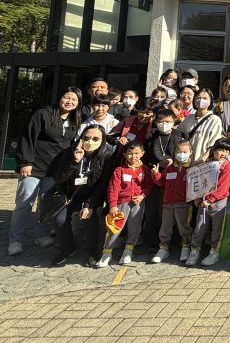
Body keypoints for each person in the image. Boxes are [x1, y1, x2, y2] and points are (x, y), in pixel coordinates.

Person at [9, 87, 83, 256]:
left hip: (55, 170)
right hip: (34, 167)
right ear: (60, 97)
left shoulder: (75, 120)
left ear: (78, 104)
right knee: (24, 202)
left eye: (74, 100)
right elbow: (28, 137)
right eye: (67, 97)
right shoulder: (43, 114)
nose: (69, 102)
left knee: (45, 204)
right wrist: (25, 162)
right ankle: (15, 240)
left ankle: (41, 235)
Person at [48, 125, 113, 266]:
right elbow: (59, 178)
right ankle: (68, 249)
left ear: (102, 140)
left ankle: (93, 252)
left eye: (95, 139)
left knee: (90, 218)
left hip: (92, 195)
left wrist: (89, 205)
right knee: (60, 220)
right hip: (70, 195)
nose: (90, 141)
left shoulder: (106, 155)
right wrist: (74, 161)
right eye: (86, 138)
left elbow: (103, 184)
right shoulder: (70, 152)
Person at [97, 140, 153, 267]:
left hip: (137, 204)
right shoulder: (119, 170)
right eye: (130, 153)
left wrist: (142, 196)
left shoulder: (145, 169)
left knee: (135, 227)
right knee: (115, 228)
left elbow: (148, 185)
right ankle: (107, 253)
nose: (133, 156)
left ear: (142, 153)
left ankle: (128, 251)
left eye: (136, 153)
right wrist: (113, 205)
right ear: (124, 155)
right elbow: (113, 189)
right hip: (121, 203)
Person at [187, 138, 230, 267]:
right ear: (214, 150)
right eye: (220, 150)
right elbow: (200, 182)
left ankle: (214, 251)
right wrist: (197, 197)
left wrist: (210, 199)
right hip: (204, 202)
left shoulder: (226, 166)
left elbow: (223, 187)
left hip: (218, 202)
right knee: (199, 226)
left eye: (226, 151)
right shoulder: (207, 164)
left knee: (217, 228)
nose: (223, 153)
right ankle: (194, 250)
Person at [150, 139, 194, 263]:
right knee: (165, 227)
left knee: (184, 227)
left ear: (190, 152)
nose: (181, 154)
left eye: (184, 151)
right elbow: (162, 183)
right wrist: (156, 174)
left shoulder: (192, 168)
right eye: (178, 151)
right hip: (168, 203)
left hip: (184, 204)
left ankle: (186, 246)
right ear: (174, 153)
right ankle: (163, 248)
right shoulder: (170, 168)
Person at [179, 88, 225, 162]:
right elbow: (179, 135)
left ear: (210, 101)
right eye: (198, 98)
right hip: (187, 161)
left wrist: (203, 159)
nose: (201, 100)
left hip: (204, 162)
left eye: (205, 98)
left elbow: (214, 143)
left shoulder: (214, 120)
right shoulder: (188, 118)